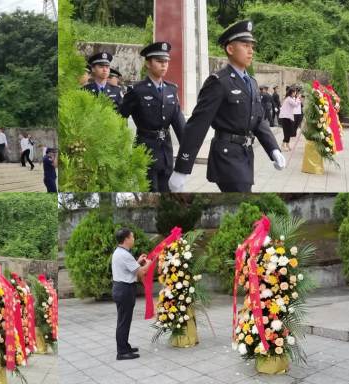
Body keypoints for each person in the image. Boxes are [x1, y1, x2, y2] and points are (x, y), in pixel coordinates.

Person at [168, 20, 286, 193]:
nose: (251, 50)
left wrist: (273, 149)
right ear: (230, 49)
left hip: (245, 155)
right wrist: (182, 168)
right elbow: (197, 125)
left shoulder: (251, 82)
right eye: (245, 45)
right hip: (226, 156)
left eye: (252, 45)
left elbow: (258, 119)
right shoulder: (218, 82)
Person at [119, 41, 186, 192]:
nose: (164, 65)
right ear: (148, 63)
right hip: (145, 150)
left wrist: (187, 153)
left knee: (167, 191)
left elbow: (179, 124)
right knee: (149, 191)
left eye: (166, 61)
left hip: (166, 152)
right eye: (159, 61)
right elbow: (119, 116)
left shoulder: (171, 89)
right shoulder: (137, 91)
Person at [111, 229, 152, 361]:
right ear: (127, 239)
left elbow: (131, 268)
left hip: (121, 288)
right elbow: (140, 273)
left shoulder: (120, 252)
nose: (134, 239)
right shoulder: (124, 255)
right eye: (132, 237)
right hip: (125, 289)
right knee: (123, 321)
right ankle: (122, 352)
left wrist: (138, 261)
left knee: (124, 320)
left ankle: (125, 346)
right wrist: (149, 264)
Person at [278, 87, 300, 152]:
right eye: (294, 92)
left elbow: (294, 105)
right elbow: (296, 105)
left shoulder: (289, 98)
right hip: (285, 117)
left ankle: (287, 144)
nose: (295, 93)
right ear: (291, 93)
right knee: (287, 132)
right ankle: (283, 145)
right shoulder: (289, 99)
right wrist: (298, 99)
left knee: (289, 131)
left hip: (288, 117)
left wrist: (297, 99)